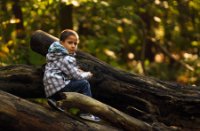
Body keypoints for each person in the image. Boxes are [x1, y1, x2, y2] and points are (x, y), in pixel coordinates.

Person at [43, 29, 100, 122]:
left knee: (72, 83)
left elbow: (65, 69)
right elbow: (76, 76)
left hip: (50, 88)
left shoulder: (54, 54)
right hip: (59, 86)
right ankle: (85, 112)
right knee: (84, 84)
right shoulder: (66, 58)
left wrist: (77, 70)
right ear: (61, 43)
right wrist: (87, 74)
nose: (73, 46)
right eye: (70, 43)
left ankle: (55, 101)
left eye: (75, 43)